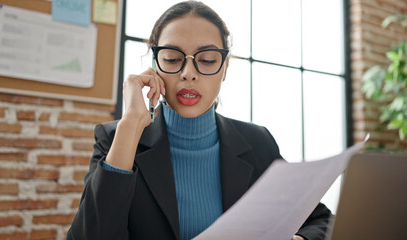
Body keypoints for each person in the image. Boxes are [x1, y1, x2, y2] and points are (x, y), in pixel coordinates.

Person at [66, 1, 331, 240]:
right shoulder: (115, 139)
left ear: (225, 68)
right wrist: (130, 125)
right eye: (172, 58)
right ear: (155, 64)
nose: (189, 73)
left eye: (206, 60)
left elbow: (319, 220)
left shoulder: (258, 141)